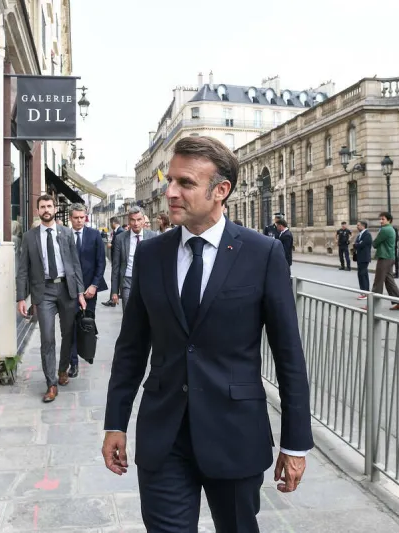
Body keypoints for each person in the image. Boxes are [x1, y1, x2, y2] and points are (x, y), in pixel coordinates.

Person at [102, 136, 313, 532]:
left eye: (185, 183)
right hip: (164, 436)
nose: (170, 192)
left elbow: (289, 355)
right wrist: (116, 421)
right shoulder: (151, 255)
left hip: (234, 435)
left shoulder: (262, 254)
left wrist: (295, 442)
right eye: (170, 180)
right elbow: (131, 348)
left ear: (220, 191)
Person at [15, 194, 86, 403]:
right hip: (43, 292)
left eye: (49, 206)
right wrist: (21, 298)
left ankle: (62, 368)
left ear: (55, 209)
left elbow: (75, 265)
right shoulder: (29, 237)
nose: (46, 209)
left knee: (68, 334)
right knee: (47, 338)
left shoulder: (66, 233)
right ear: (38, 211)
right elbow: (22, 270)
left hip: (67, 289)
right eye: (42, 206)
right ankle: (51, 383)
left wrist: (80, 293)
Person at [68, 204, 108, 378]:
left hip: (90, 290)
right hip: (69, 290)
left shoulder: (94, 235)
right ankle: (73, 363)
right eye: (76, 217)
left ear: (86, 217)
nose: (79, 220)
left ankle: (87, 351)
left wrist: (94, 285)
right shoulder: (65, 235)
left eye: (82, 217)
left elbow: (101, 262)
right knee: (71, 326)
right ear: (70, 218)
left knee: (87, 324)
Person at [110, 207, 157, 310]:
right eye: (133, 220)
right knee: (129, 314)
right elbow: (116, 266)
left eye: (139, 219)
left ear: (144, 220)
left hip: (148, 281)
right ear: (128, 221)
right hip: (127, 281)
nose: (136, 223)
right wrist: (114, 291)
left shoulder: (153, 237)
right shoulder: (120, 238)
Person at [371, 212, 399, 311]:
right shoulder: (390, 228)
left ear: (389, 220)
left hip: (384, 257)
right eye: (380, 219)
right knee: (389, 281)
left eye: (383, 219)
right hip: (390, 257)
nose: (380, 221)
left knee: (378, 281)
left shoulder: (385, 230)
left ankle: (373, 305)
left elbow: (375, 243)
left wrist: (375, 240)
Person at [102, 217, 125, 307]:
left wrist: (111, 245)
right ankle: (113, 299)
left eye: (110, 223)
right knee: (114, 278)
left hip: (118, 260)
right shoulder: (117, 231)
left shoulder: (120, 231)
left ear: (113, 223)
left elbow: (119, 245)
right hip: (116, 260)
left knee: (116, 278)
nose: (110, 225)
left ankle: (113, 299)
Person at [354, 220, 373, 300]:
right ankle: (363, 291)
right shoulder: (360, 235)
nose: (357, 227)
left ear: (363, 226)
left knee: (363, 274)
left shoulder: (367, 235)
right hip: (359, 257)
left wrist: (357, 244)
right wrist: (357, 244)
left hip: (364, 258)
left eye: (358, 225)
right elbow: (356, 244)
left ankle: (366, 292)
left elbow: (361, 244)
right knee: (360, 275)